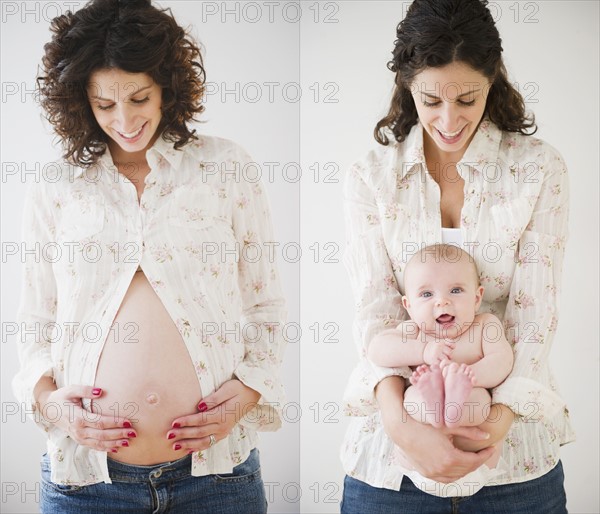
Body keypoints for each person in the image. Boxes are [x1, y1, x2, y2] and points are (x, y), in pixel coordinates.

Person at [12, 0, 286, 512]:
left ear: (167, 85)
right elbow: (34, 320)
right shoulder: (56, 186)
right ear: (81, 103)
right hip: (86, 482)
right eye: (104, 105)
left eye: (139, 97)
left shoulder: (224, 167)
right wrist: (52, 403)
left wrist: (251, 390)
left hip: (217, 477)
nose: (125, 119)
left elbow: (265, 303)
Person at [340, 0, 573, 512]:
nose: (448, 120)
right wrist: (403, 428)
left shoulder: (538, 170)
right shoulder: (370, 177)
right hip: (389, 464)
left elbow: (534, 315)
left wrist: (486, 429)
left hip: (513, 464)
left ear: (493, 81)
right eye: (430, 100)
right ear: (407, 87)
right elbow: (375, 313)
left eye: (467, 99)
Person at [368, 244, 513, 437]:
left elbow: (502, 360)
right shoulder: (414, 330)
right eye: (427, 294)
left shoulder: (485, 325)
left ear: (477, 298)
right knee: (412, 398)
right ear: (409, 306)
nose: (442, 301)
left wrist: (467, 376)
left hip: (469, 394)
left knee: (479, 402)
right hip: (424, 417)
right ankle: (435, 410)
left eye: (455, 290)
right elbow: (377, 349)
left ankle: (451, 410)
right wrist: (423, 351)